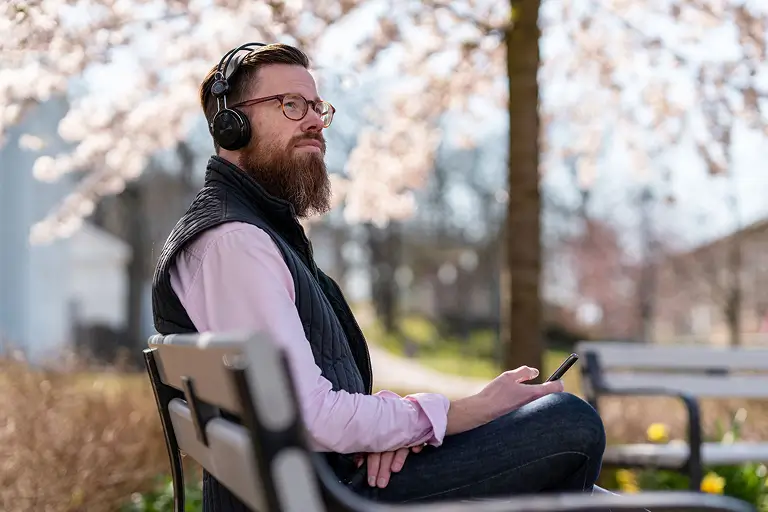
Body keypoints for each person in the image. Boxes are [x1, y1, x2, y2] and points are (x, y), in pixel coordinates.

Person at [151, 42, 608, 511]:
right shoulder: (234, 243)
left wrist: (398, 431)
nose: (312, 120)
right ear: (232, 126)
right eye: (290, 104)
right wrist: (468, 410)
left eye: (316, 107)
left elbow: (312, 402)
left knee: (587, 473)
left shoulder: (253, 233)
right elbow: (313, 417)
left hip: (324, 482)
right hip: (332, 497)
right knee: (569, 423)